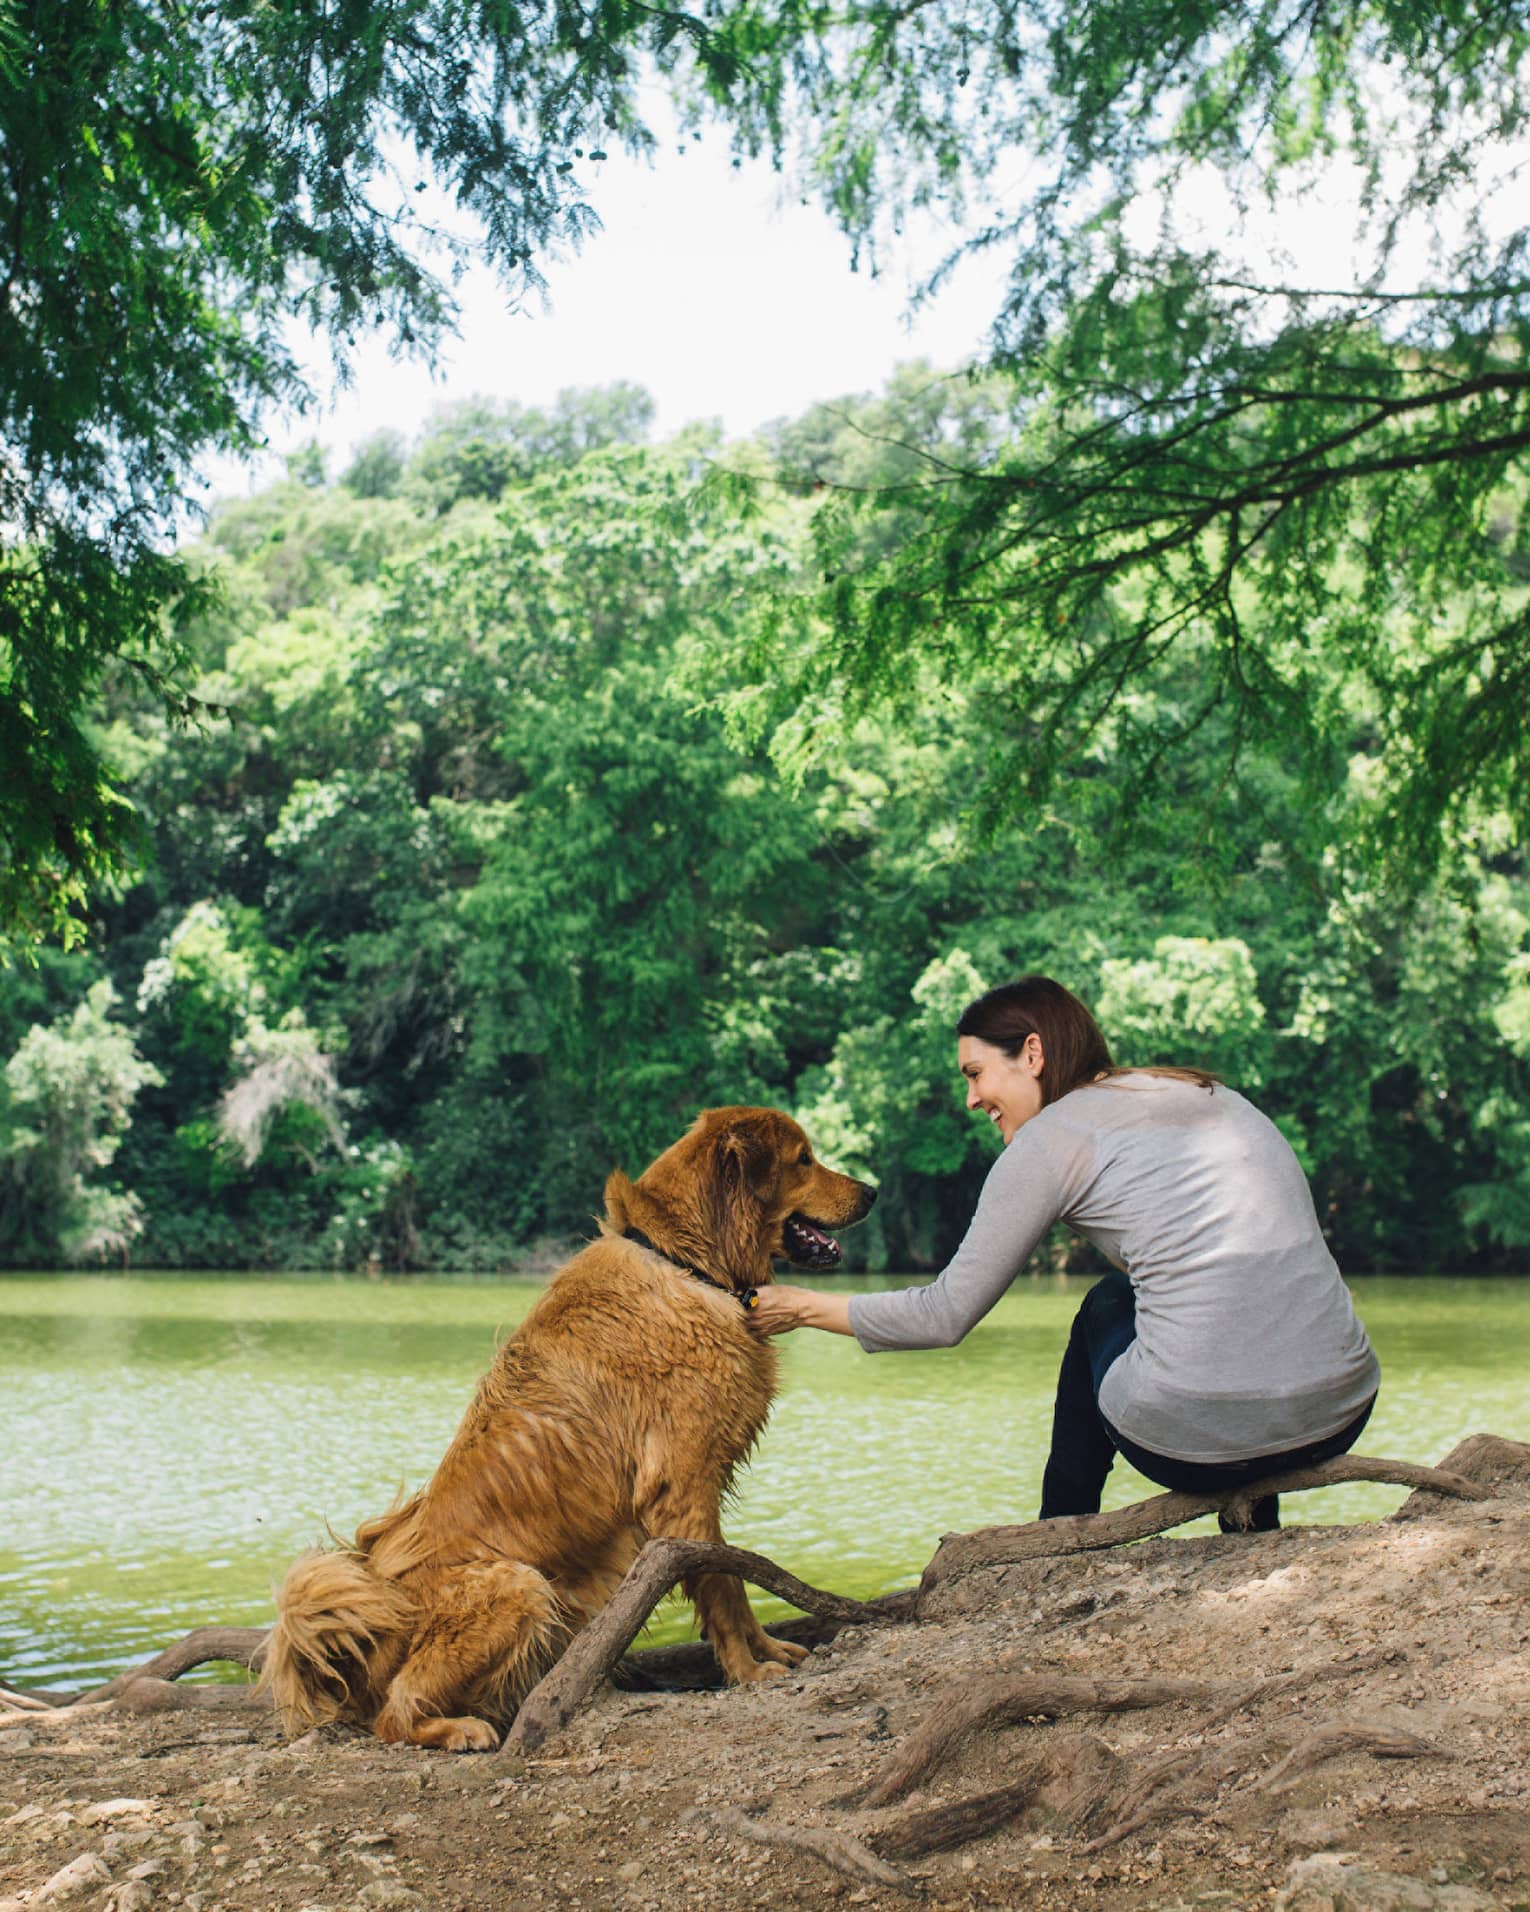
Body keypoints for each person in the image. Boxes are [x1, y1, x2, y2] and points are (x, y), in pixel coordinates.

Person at [749, 975, 1379, 1530]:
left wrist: (798, 1306)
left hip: (1195, 1443)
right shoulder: (1208, 1095)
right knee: (1178, 1306)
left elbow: (942, 1316)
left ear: (1032, 1053)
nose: (971, 1099)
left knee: (1105, 1306)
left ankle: (1057, 1539)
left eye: (975, 1073)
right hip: (1341, 1407)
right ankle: (1253, 1526)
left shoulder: (1049, 1140)